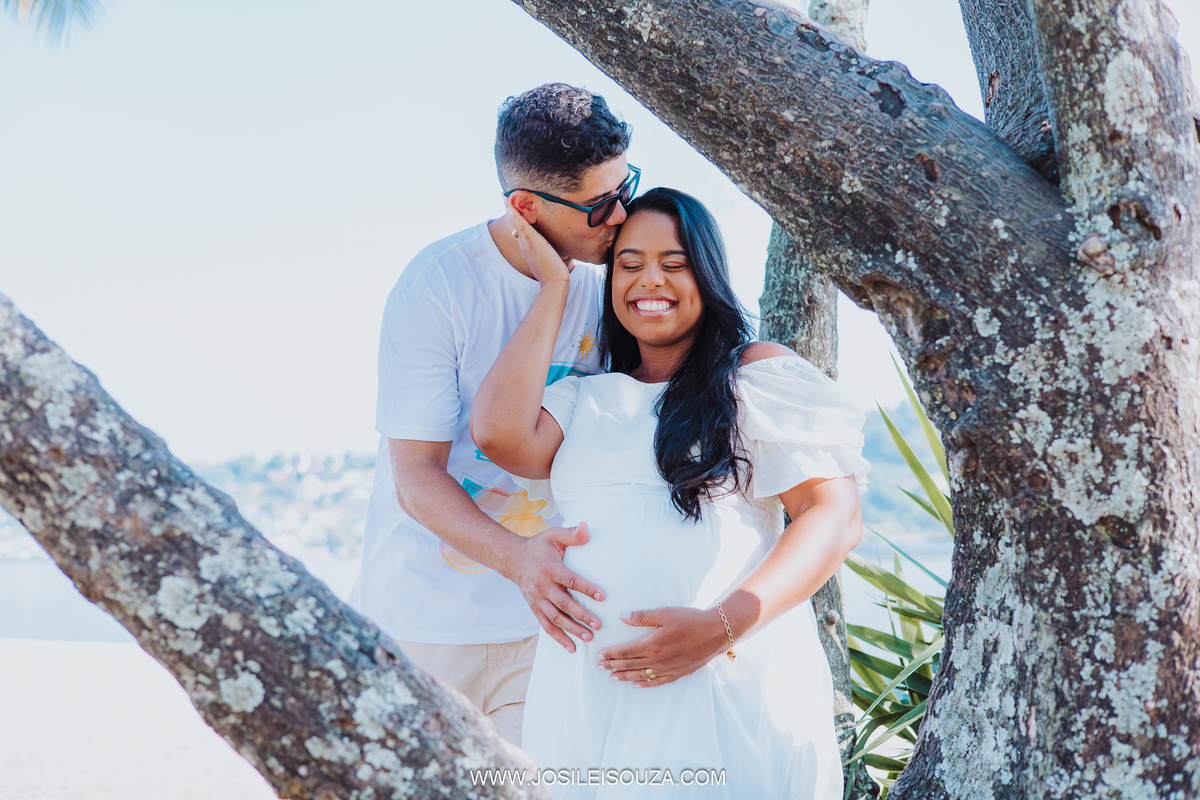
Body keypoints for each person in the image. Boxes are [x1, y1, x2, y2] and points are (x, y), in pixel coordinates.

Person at [471, 187, 868, 797]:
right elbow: (497, 434)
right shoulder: (586, 396)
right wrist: (556, 286)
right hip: (585, 693)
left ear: (706, 275)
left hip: (722, 678)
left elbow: (833, 516)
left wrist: (720, 628)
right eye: (628, 265)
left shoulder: (752, 375)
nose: (648, 280)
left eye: (674, 264)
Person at [348, 83, 640, 746]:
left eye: (626, 188)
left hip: (553, 623)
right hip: (425, 620)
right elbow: (415, 474)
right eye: (599, 206)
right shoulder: (438, 285)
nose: (622, 216)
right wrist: (517, 559)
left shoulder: (621, 281)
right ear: (525, 207)